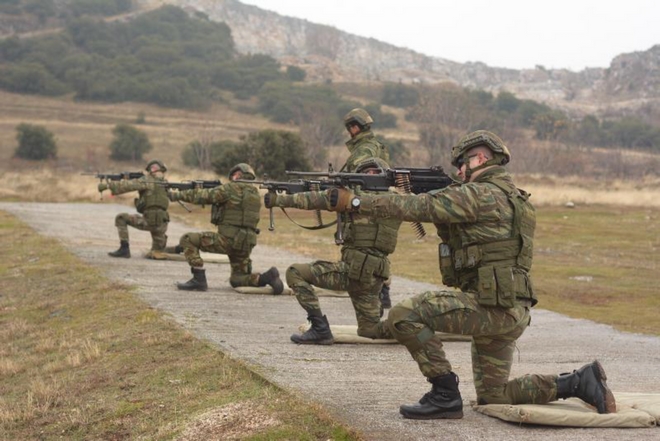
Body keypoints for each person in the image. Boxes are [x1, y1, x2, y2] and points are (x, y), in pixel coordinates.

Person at [327, 130, 616, 419]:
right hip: (508, 308)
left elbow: (416, 207)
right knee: (495, 395)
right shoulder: (514, 197)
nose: (459, 171)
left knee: (404, 314)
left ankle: (444, 393)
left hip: (491, 308)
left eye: (462, 164)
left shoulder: (481, 193)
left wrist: (353, 202)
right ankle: (577, 382)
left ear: (480, 158)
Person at [265, 158, 402, 345]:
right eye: (367, 172)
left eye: (374, 173)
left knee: (295, 273)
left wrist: (278, 199)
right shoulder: (397, 202)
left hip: (352, 273)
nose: (371, 176)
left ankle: (320, 329)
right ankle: (409, 325)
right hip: (374, 277)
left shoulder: (350, 199)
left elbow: (313, 199)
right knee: (369, 330)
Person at [168, 163, 283, 294]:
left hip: (227, 241)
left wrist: (176, 195)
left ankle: (198, 279)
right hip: (245, 243)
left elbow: (202, 196)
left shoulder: (230, 189)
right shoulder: (255, 194)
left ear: (238, 175)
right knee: (237, 279)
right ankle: (267, 277)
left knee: (188, 239)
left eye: (234, 174)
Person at [342, 108, 392, 310]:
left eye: (349, 128)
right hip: (377, 203)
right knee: (376, 249)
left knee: (362, 248)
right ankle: (382, 291)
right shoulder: (376, 146)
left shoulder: (364, 150)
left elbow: (361, 179)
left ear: (354, 127)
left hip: (365, 205)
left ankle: (375, 295)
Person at [99, 159, 170, 258]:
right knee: (156, 253)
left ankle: (124, 249)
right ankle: (178, 249)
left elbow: (127, 186)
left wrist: (108, 185)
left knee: (121, 218)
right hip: (161, 225)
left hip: (149, 221)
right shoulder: (165, 184)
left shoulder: (147, 180)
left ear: (152, 170)